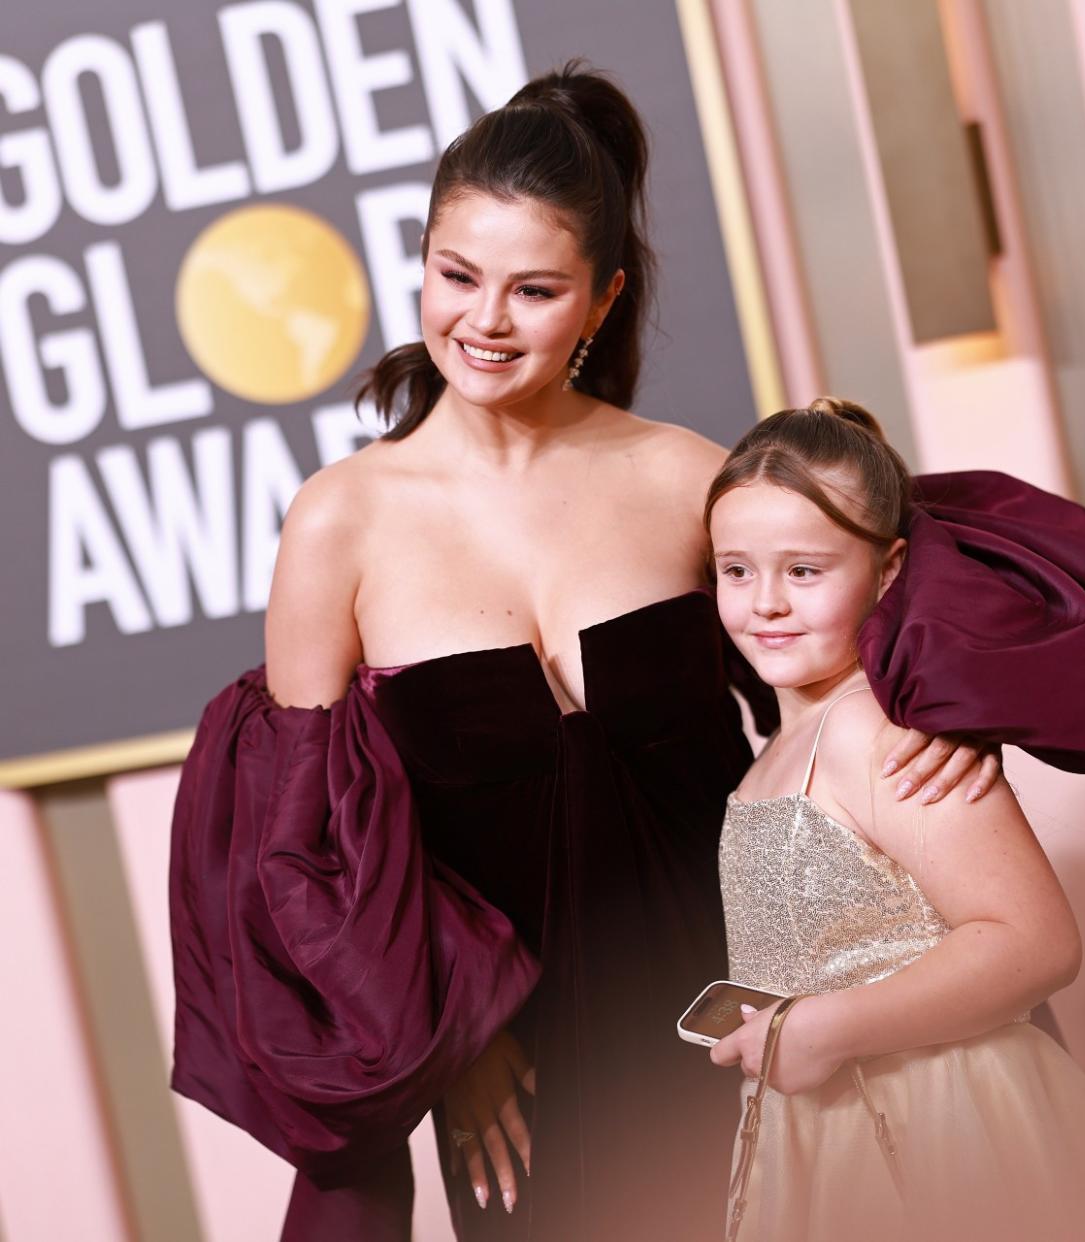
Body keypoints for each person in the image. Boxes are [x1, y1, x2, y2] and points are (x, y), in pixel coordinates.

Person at [168, 66, 1000, 1242]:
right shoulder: (338, 523)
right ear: (421, 266)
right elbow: (304, 854)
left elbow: (871, 627)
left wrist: (948, 736)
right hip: (526, 1060)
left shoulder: (685, 477)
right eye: (456, 276)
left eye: (535, 289)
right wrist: (451, 1052)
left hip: (769, 999)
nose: (485, 320)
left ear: (602, 299)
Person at [705, 398, 1085, 1242]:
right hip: (822, 1128)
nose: (767, 603)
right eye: (736, 570)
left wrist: (828, 1026)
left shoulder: (876, 731)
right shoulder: (778, 751)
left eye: (806, 571)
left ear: (889, 571)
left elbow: (1036, 941)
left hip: (943, 1123)